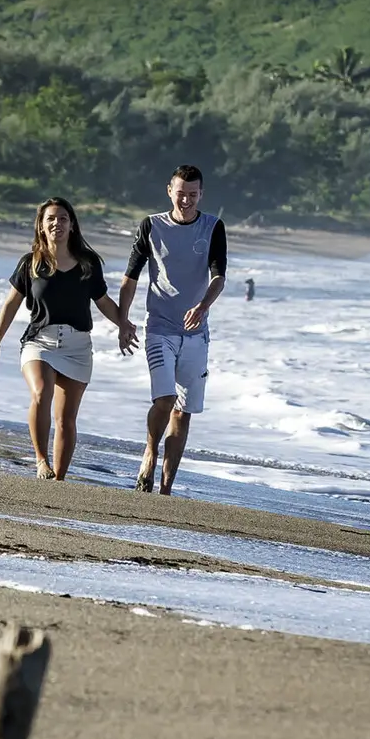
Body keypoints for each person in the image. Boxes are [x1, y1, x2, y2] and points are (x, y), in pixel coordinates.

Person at [0, 197, 135, 480]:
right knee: (42, 393)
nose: (57, 223)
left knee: (66, 419)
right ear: (41, 226)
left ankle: (59, 479)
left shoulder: (88, 264)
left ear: (72, 224)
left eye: (63, 218)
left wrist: (124, 325)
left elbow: (103, 302)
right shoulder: (30, 264)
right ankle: (42, 461)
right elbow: (10, 305)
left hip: (78, 346)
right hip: (39, 342)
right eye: (51, 219)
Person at [118, 164, 227, 495]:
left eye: (193, 195)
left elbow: (218, 276)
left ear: (201, 195)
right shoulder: (151, 226)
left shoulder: (213, 227)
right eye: (181, 194)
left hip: (196, 335)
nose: (186, 201)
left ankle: (166, 488)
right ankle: (149, 453)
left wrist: (203, 305)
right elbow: (131, 276)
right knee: (164, 400)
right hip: (160, 329)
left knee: (183, 412)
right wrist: (123, 321)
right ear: (170, 191)